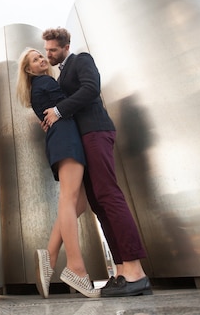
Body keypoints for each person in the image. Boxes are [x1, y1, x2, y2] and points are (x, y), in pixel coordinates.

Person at [41, 27, 152, 298]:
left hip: (96, 131)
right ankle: (122, 270)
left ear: (65, 47)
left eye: (53, 50)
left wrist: (58, 110)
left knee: (108, 195)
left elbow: (92, 89)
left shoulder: (81, 60)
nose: (49, 54)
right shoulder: (62, 72)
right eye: (46, 50)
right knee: (98, 203)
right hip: (83, 139)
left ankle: (136, 271)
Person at [16, 47, 100, 299]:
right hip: (65, 137)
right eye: (35, 59)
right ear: (29, 69)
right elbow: (68, 104)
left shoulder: (40, 86)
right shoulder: (45, 82)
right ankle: (76, 267)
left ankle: (49, 256)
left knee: (79, 203)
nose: (42, 58)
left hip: (62, 137)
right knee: (69, 198)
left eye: (41, 55)